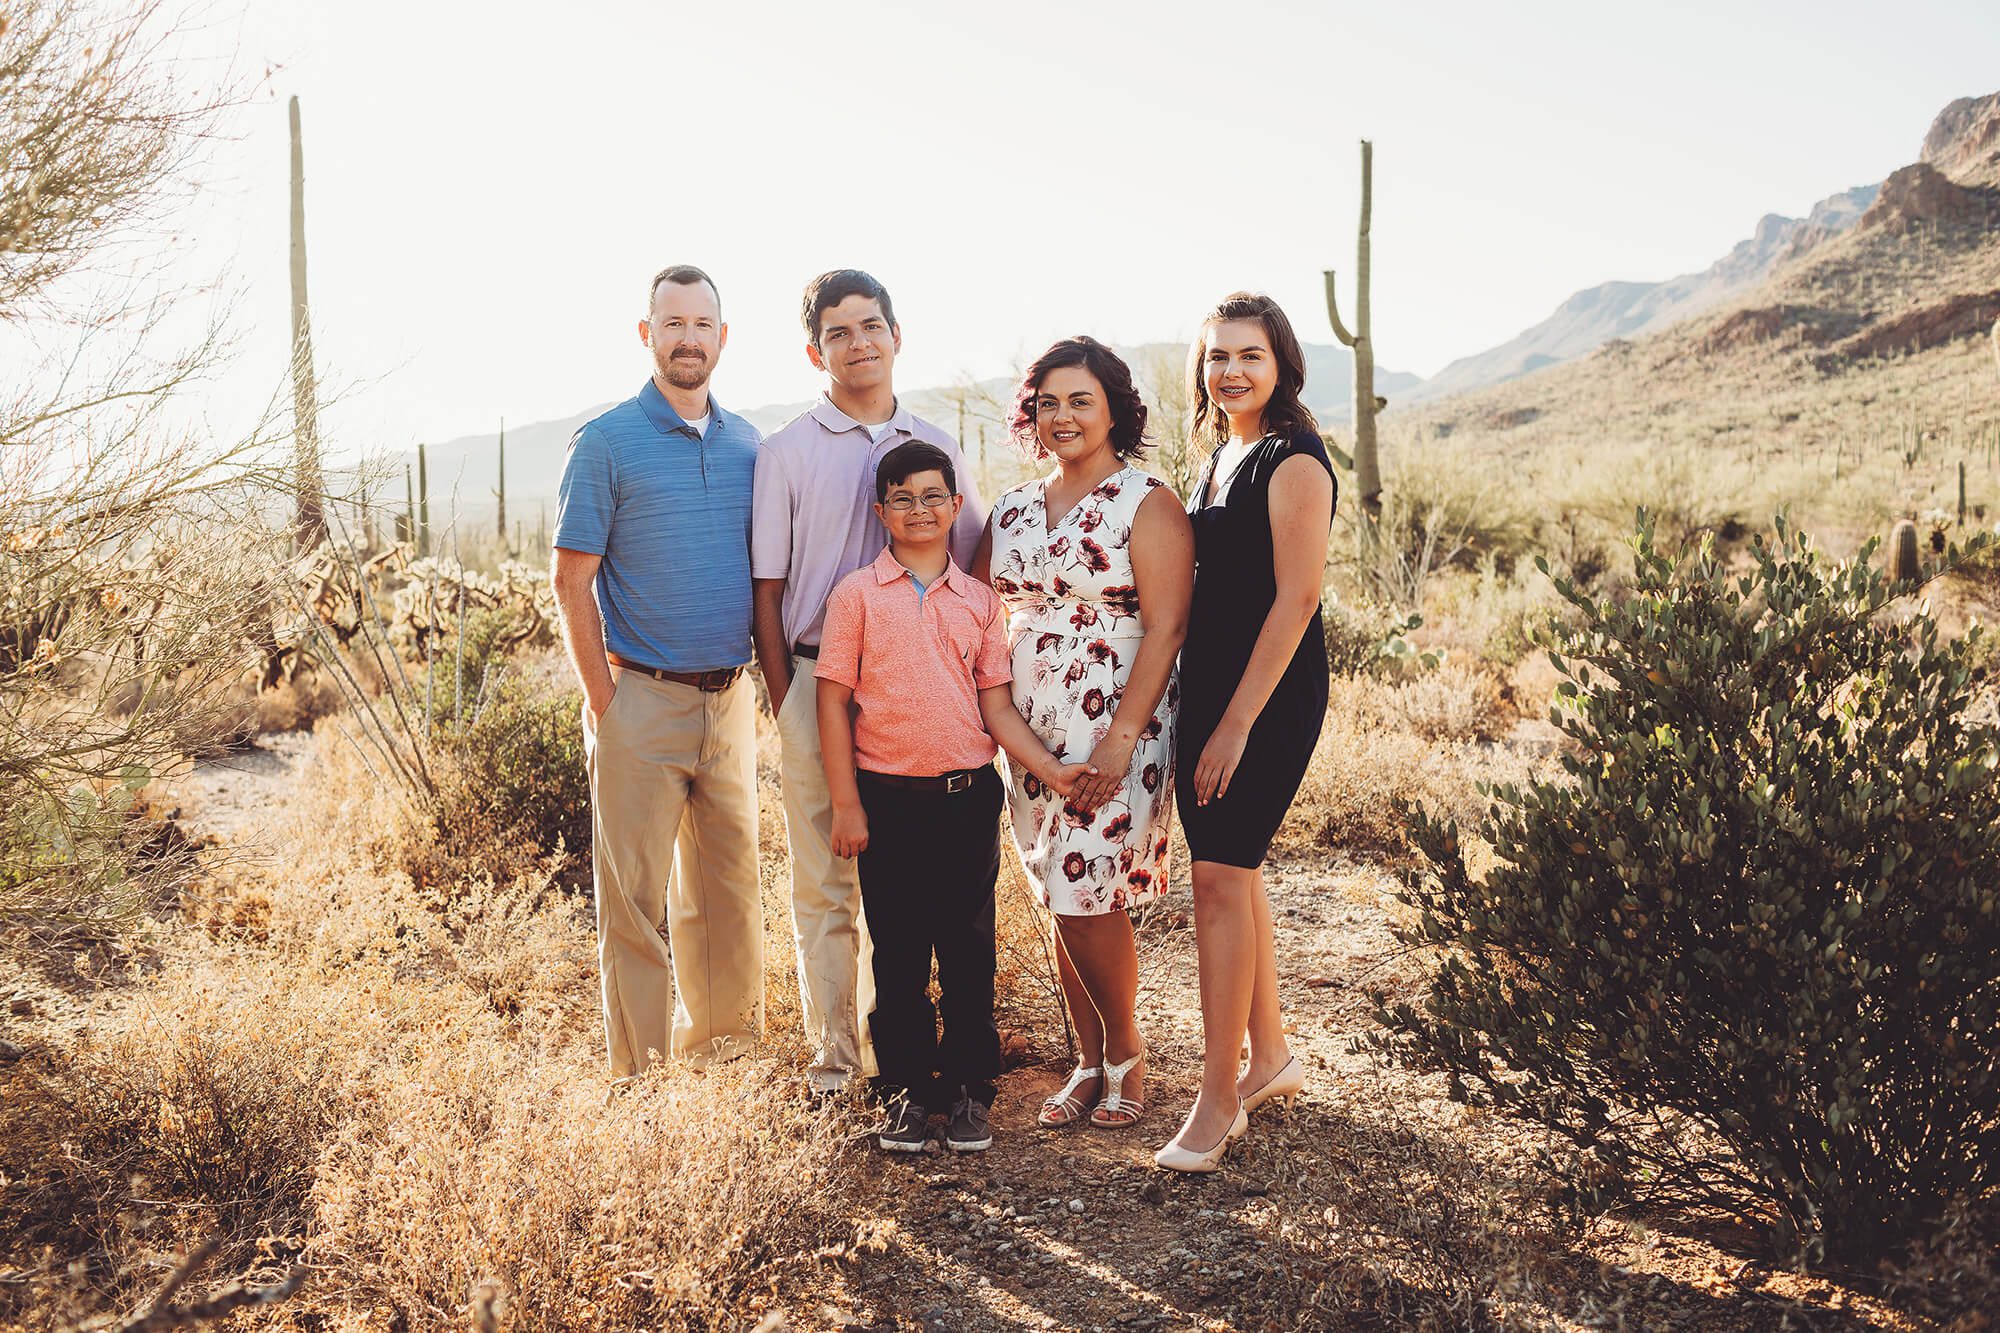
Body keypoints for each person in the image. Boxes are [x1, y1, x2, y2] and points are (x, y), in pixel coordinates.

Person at [816, 442, 1087, 1152]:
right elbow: (832, 702)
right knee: (898, 953)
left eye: (934, 496)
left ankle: (969, 1090)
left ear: (956, 506)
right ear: (881, 512)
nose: (919, 510)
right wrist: (846, 802)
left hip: (966, 799)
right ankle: (905, 1093)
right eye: (902, 498)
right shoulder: (855, 596)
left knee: (968, 949)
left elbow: (997, 709)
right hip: (886, 800)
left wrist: (1054, 771)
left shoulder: (980, 602)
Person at [753, 270, 986, 1094]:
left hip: (917, 689)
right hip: (819, 678)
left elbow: (973, 554)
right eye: (839, 331)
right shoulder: (784, 452)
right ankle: (835, 1055)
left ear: (897, 334)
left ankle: (907, 1056)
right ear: (816, 348)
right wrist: (786, 696)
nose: (859, 343)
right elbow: (769, 590)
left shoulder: (938, 444)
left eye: (871, 325)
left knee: (907, 877)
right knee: (824, 874)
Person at [974, 336, 1193, 1133]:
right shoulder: (1010, 508)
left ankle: (1126, 1053)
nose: (1062, 416)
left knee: (1090, 886)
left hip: (1114, 723)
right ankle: (1088, 1058)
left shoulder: (1148, 500)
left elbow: (1167, 628)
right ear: (1030, 414)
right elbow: (976, 611)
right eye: (1048, 402)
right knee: (1059, 889)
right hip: (1028, 732)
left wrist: (1120, 740)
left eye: (1080, 401)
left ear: (1114, 410)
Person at [552, 264, 763, 1077]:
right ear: (648, 335)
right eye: (671, 323)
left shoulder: (748, 444)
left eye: (701, 323)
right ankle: (637, 1086)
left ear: (720, 337)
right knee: (635, 906)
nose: (687, 338)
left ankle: (725, 1061)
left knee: (727, 895)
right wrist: (606, 702)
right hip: (638, 698)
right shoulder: (606, 442)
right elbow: (570, 580)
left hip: (728, 700)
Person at [1155, 293, 1335, 1173]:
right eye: (1216, 355)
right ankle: (1270, 1059)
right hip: (1212, 687)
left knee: (1220, 879)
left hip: (1266, 692)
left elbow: (1297, 599)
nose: (1229, 369)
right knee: (1239, 868)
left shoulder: (1293, 458)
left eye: (1248, 354)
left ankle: (1218, 1098)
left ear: (1280, 362)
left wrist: (1233, 724)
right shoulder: (1219, 455)